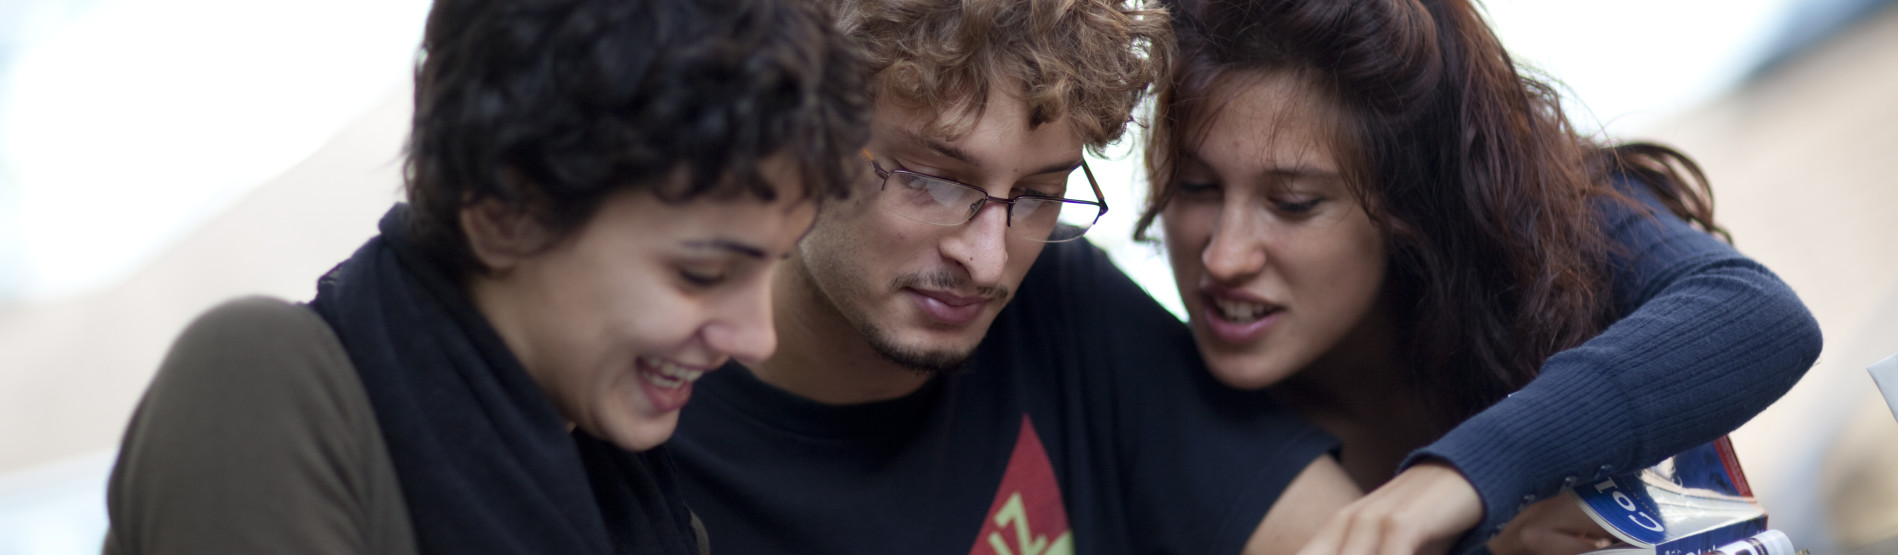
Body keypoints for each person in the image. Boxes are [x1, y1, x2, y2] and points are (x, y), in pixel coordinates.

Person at [100, 0, 868, 552]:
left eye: (770, 263)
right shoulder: (263, 381)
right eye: (702, 271)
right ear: (505, 207)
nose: (756, 334)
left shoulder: (638, 498)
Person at [669, 0, 1361, 553]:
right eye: (933, 181)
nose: (988, 260)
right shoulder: (640, 408)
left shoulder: (1063, 303)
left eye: (1036, 193)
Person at [1138, 0, 1823, 553]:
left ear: (1411, 201)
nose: (1225, 257)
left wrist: (1455, 478)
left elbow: (1757, 314)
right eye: (1194, 187)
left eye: (1293, 203)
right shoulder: (1157, 408)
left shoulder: (1563, 216)